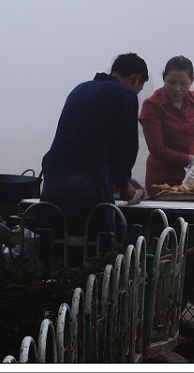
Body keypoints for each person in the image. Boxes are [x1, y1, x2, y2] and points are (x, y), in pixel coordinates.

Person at [40, 53, 148, 262]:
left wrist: (122, 180)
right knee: (98, 251)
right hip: (89, 185)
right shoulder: (126, 95)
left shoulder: (80, 89)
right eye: (139, 88)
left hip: (53, 181)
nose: (137, 92)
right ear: (136, 79)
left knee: (57, 248)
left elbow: (83, 142)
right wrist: (123, 183)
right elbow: (124, 146)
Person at [140, 55, 194, 188]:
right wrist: (191, 160)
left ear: (192, 81)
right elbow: (157, 150)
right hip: (162, 179)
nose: (177, 88)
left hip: (193, 178)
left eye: (183, 84)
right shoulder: (152, 105)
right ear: (163, 78)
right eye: (172, 82)